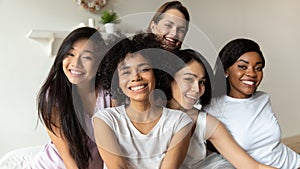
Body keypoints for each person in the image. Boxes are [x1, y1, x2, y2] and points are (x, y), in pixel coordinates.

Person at [163, 49, 276, 169]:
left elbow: (252, 166)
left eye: (202, 82)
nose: (197, 89)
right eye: (189, 79)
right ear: (169, 77)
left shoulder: (205, 122)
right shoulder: (151, 114)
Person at [93, 33, 192, 169]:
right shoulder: (105, 120)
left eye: (144, 69)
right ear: (117, 81)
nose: (136, 77)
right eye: (126, 72)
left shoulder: (180, 122)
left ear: (156, 73)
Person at [203, 38, 300, 169]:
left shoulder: (263, 99)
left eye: (258, 68)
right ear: (225, 70)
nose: (252, 73)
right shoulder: (211, 110)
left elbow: (271, 147)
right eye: (242, 67)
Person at [29, 27, 111, 169]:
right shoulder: (53, 96)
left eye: (86, 57)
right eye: (70, 54)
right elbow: (69, 158)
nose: (75, 63)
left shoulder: (109, 93)